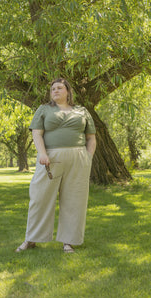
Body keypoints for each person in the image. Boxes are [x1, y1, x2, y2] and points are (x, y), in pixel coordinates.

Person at [15, 78, 96, 253]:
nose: (55, 91)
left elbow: (91, 137)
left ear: (68, 91)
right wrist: (42, 153)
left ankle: (69, 241)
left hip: (78, 159)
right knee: (39, 197)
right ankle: (31, 239)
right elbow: (37, 134)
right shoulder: (44, 109)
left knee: (75, 200)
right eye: (53, 89)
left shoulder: (82, 111)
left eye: (59, 88)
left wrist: (88, 158)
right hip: (50, 157)